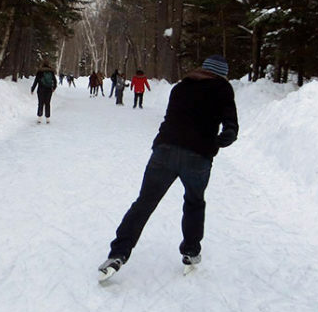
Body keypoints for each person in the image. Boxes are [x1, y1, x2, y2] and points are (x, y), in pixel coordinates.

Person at [98, 55, 238, 278]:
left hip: (165, 150)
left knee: (144, 203)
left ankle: (118, 253)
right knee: (194, 203)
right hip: (198, 157)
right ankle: (190, 252)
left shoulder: (181, 87)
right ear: (221, 73)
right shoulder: (223, 88)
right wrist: (222, 139)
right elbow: (231, 126)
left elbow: (171, 118)